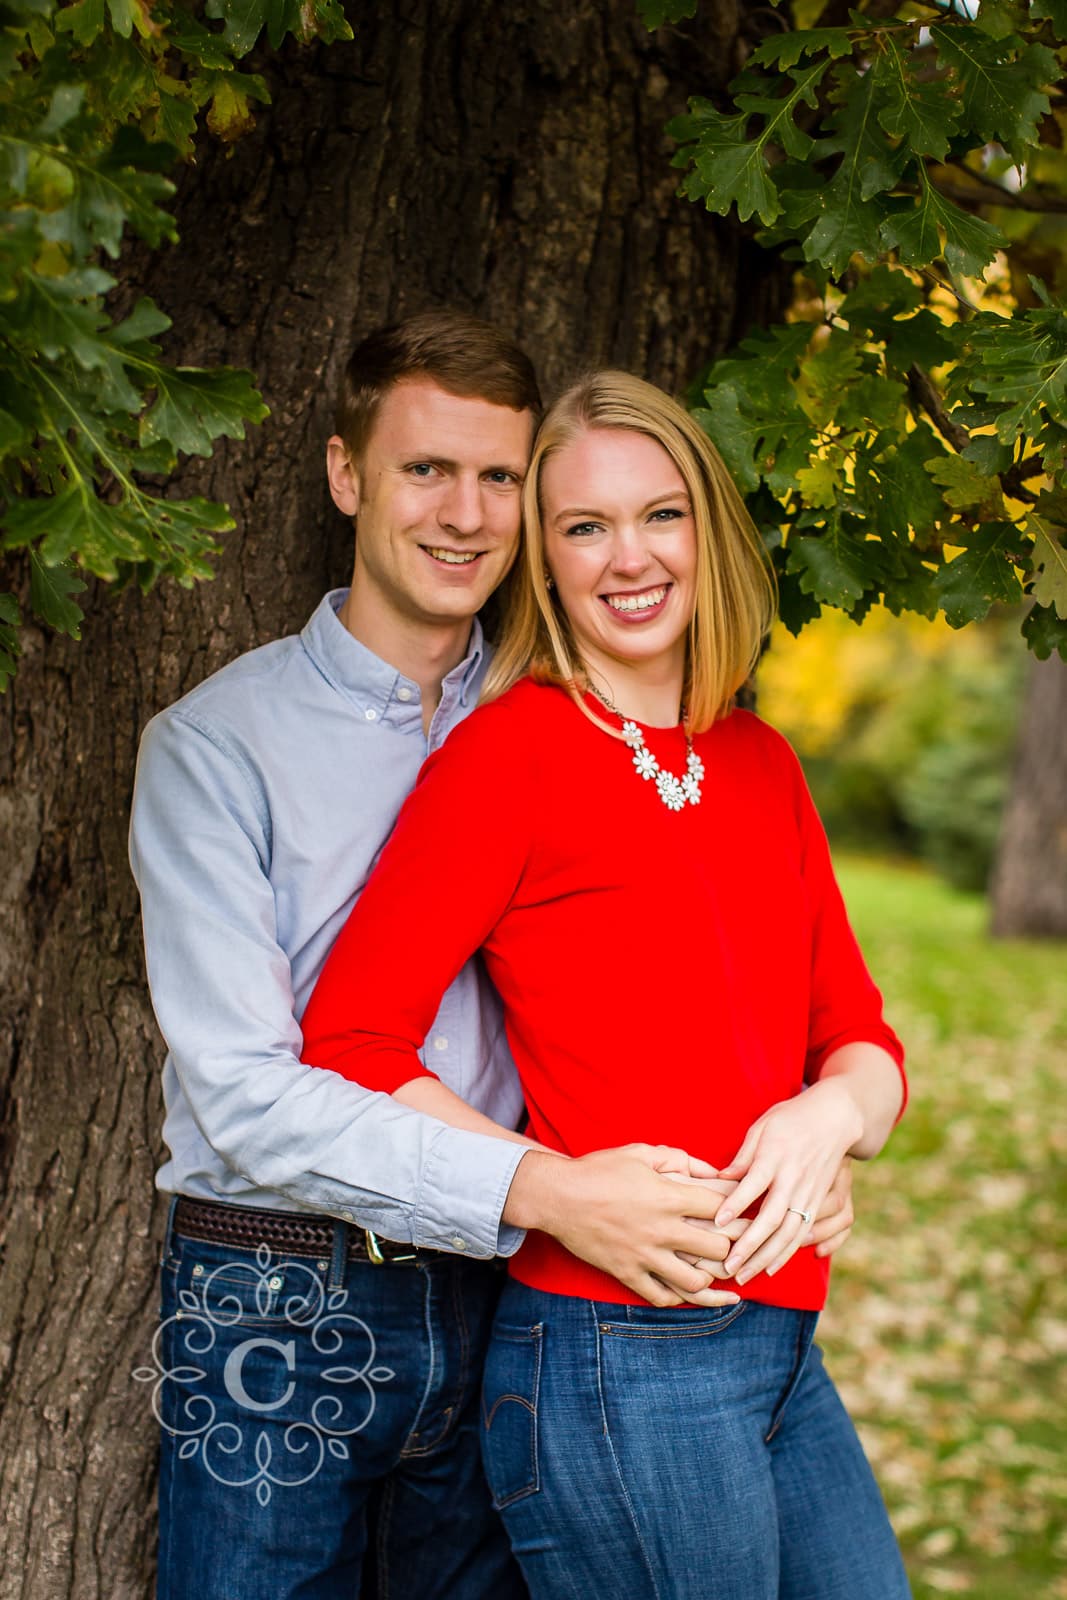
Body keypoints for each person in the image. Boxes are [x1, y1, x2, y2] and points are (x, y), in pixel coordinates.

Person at [130, 314, 859, 1600]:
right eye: (423, 471)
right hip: (278, 1282)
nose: (464, 514)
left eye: (500, 480)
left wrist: (805, 1140)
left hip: (496, 1286)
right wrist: (552, 1190)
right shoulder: (218, 744)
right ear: (347, 475)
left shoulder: (561, 712)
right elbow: (252, 1087)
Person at [300, 370, 912, 1599]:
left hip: (784, 1346)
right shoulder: (510, 755)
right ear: (545, 556)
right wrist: (554, 1192)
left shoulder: (758, 760)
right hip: (615, 1353)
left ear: (708, 531)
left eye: (659, 514)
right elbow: (350, 1038)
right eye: (582, 526)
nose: (626, 557)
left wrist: (824, 1121)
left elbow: (859, 1039)